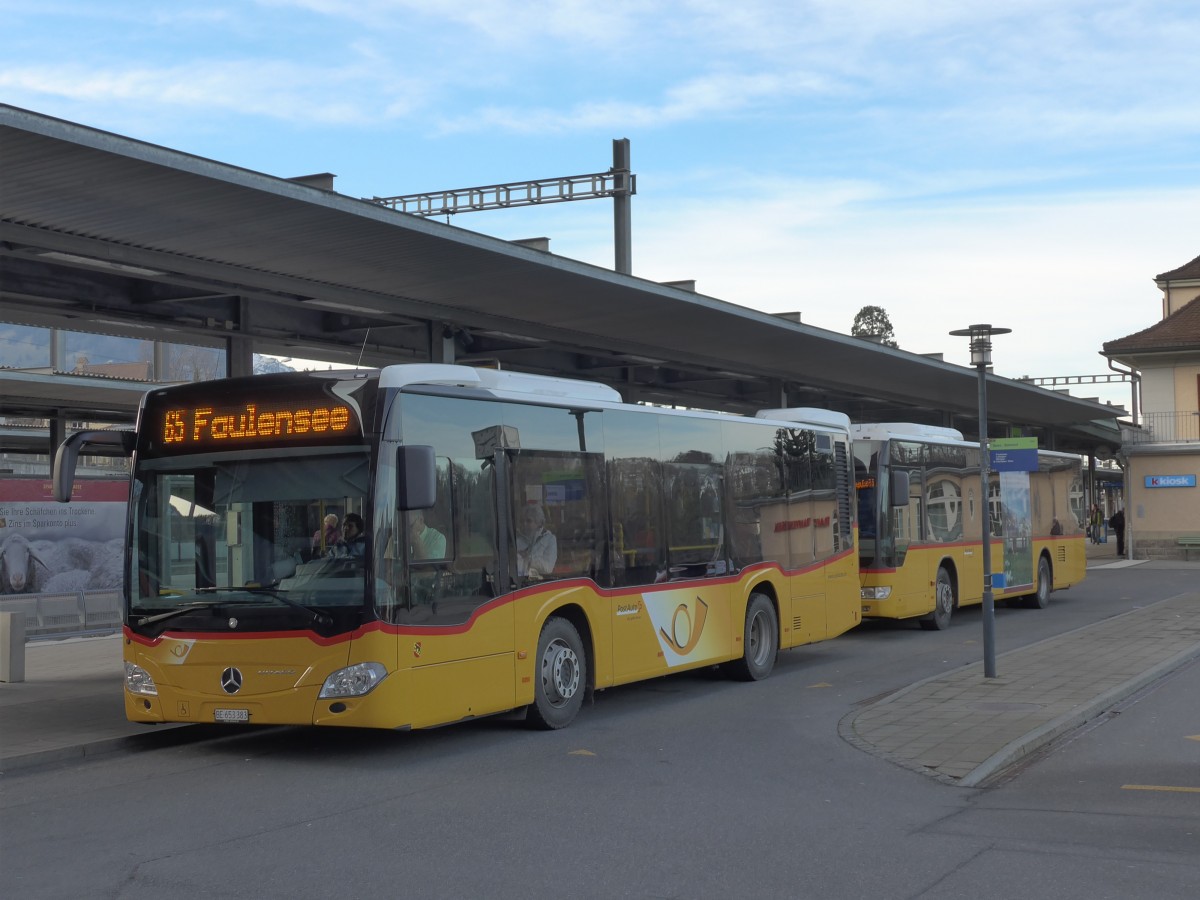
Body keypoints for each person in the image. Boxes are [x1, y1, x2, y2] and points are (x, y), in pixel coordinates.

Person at [516, 505, 557, 579]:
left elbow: (548, 568)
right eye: (522, 521)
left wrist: (527, 558)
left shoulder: (550, 539)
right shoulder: (516, 539)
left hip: (539, 584)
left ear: (540, 523)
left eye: (529, 521)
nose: (524, 524)